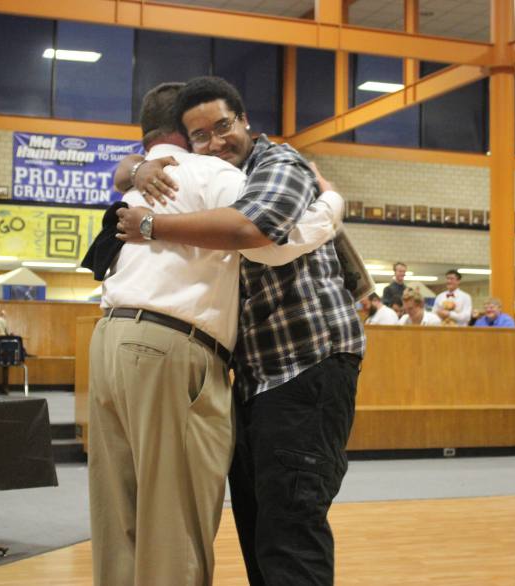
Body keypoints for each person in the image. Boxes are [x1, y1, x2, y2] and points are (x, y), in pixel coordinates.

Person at [88, 82, 343, 586]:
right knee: (175, 520)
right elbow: (270, 239)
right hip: (171, 346)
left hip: (107, 342)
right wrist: (332, 203)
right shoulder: (213, 174)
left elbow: (255, 229)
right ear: (183, 137)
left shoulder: (143, 181)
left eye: (221, 127)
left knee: (118, 519)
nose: (213, 141)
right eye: (200, 133)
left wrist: (135, 179)